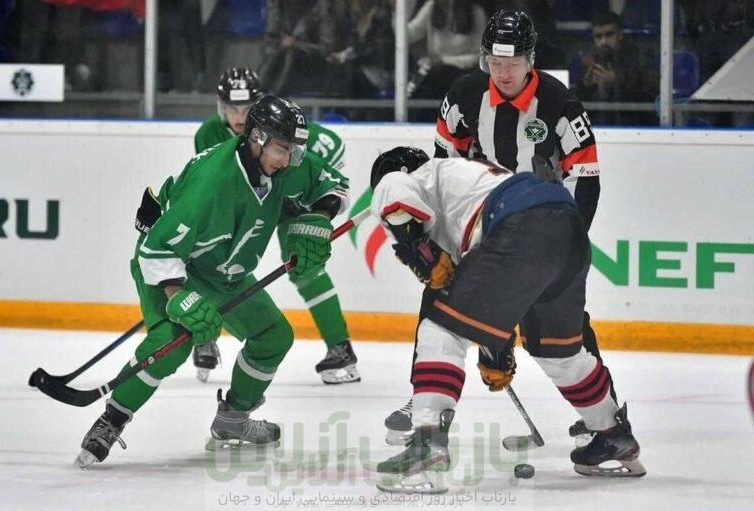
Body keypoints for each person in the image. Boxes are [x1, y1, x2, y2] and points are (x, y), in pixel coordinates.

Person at [75, 95, 350, 468]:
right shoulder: (212, 184)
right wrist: (179, 297)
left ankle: (232, 419)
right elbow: (157, 250)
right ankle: (111, 421)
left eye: (292, 150)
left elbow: (332, 182)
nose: (287, 160)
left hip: (225, 269)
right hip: (173, 264)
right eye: (282, 149)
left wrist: (319, 217)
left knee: (273, 336)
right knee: (170, 344)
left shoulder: (282, 164)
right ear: (256, 138)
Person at [384, 9, 607, 447]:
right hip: (481, 224)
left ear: (531, 60)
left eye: (514, 63)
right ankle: (425, 406)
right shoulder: (464, 96)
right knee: (440, 296)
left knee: (564, 324)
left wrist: (568, 243)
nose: (504, 73)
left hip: (542, 228)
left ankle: (602, 416)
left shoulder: (561, 105)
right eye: (495, 62)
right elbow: (444, 167)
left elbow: (586, 180)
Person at [370, 147, 645, 493]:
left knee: (440, 328)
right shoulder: (466, 186)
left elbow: (394, 200)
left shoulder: (413, 177)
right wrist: (495, 351)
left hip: (520, 226)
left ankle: (428, 443)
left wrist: (419, 252)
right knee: (559, 353)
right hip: (566, 230)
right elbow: (494, 298)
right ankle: (613, 434)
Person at [193, 67, 359, 385]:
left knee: (305, 266)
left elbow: (330, 147)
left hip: (287, 197)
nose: (238, 117)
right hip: (241, 204)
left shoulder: (279, 124)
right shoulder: (209, 134)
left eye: (245, 108)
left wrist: (318, 205)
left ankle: (340, 346)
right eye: (231, 109)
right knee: (213, 263)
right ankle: (204, 336)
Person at [575, 10, 658, 125]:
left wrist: (616, 83)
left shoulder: (640, 59)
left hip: (633, 128)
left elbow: (648, 103)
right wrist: (585, 87)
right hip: (595, 128)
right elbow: (577, 110)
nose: (604, 41)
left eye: (609, 35)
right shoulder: (588, 62)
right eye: (598, 36)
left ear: (620, 35)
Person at [404, 0, 487, 102]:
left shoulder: (477, 13)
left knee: (444, 76)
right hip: (433, 70)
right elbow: (408, 35)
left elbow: (478, 56)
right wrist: (399, 11)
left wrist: (443, 60)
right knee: (418, 83)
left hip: (463, 72)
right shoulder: (431, 6)